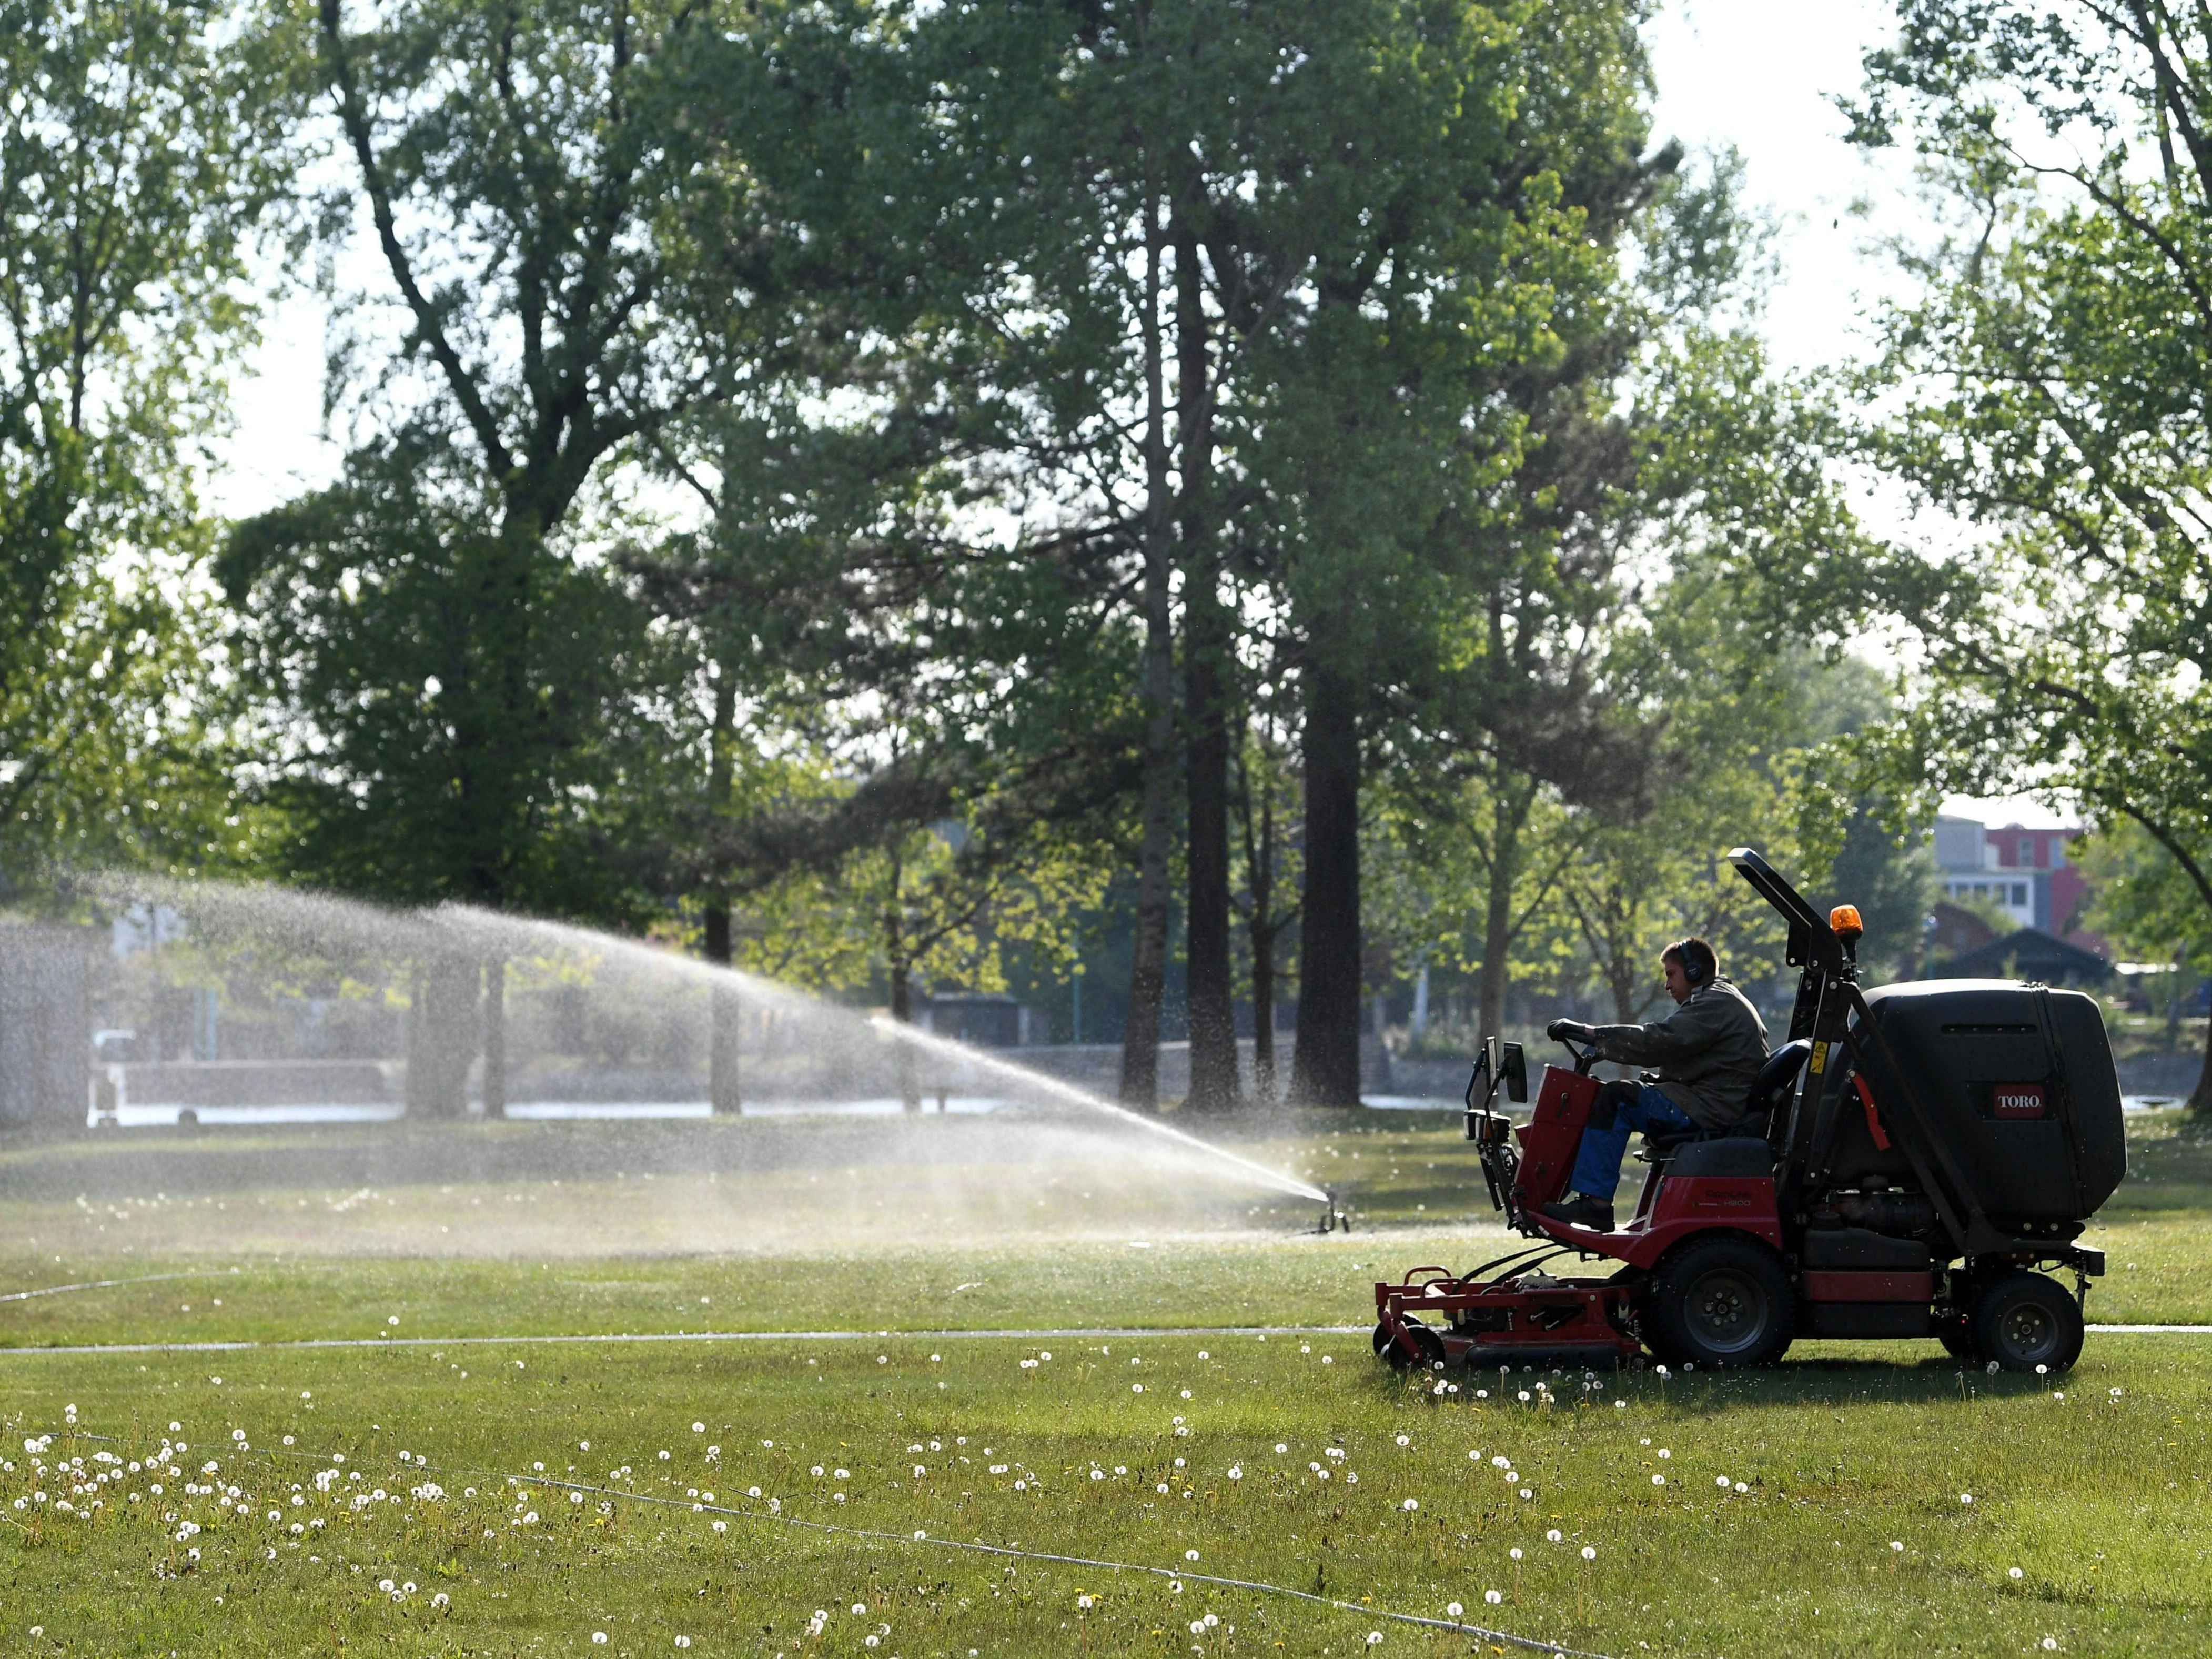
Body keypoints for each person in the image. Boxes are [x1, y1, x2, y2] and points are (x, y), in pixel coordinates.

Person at [1538, 936, 1771, 1231]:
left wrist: (1591, 1033)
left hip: (1710, 1110)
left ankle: (1595, 1206)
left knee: (1617, 1098)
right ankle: (1590, 1200)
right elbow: (1687, 1057)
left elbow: (1659, 1041)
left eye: (1671, 974)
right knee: (1623, 1094)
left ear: (1695, 971)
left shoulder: (1717, 1003)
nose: (1668, 985)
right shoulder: (1717, 999)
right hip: (1712, 1103)